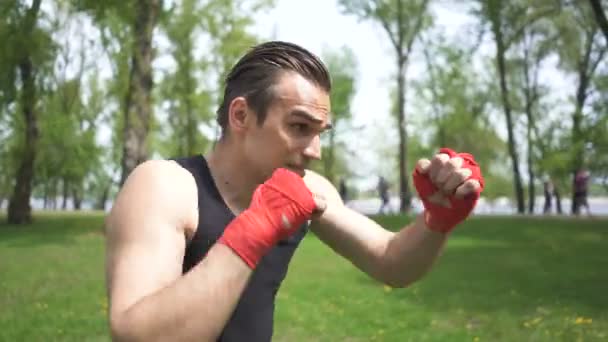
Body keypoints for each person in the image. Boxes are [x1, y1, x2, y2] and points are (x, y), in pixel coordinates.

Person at [104, 41, 484, 342]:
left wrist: (436, 219)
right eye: (300, 127)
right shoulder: (165, 185)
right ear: (241, 116)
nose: (315, 151)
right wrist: (254, 231)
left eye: (320, 133)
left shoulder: (305, 191)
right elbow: (139, 336)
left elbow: (391, 262)